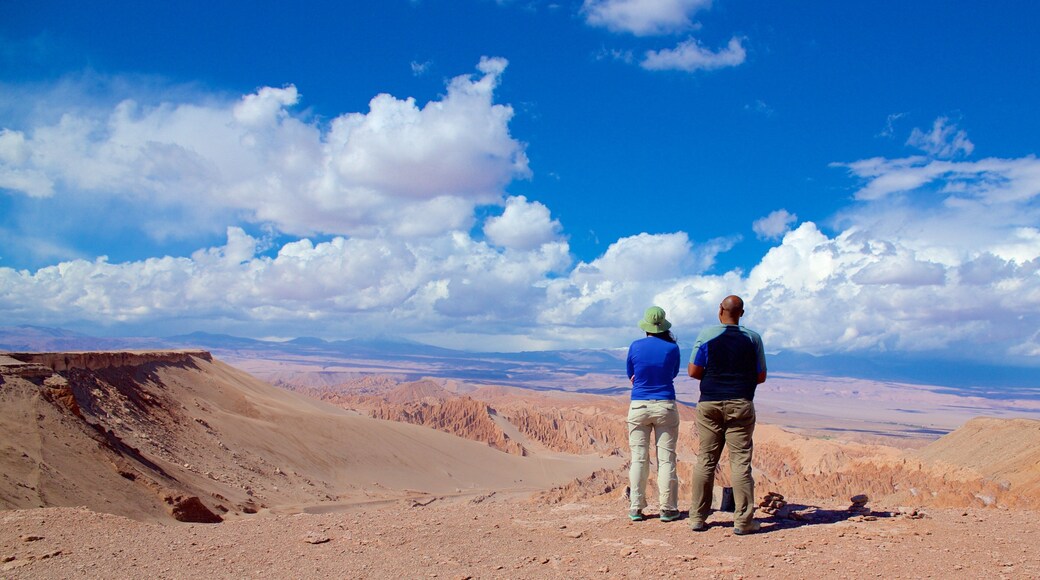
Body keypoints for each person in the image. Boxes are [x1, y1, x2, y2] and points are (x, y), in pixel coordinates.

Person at [687, 295, 767, 535]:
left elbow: (693, 371)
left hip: (710, 402)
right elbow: (761, 376)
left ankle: (697, 518)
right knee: (740, 462)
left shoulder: (706, 335)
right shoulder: (753, 338)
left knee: (706, 459)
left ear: (719, 310)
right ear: (742, 313)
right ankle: (743, 522)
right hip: (741, 403)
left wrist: (715, 377)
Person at [625, 305, 681, 522]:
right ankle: (668, 509)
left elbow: (631, 374)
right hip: (665, 405)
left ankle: (636, 508)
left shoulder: (635, 346)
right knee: (666, 460)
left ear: (646, 326)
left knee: (638, 459)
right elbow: (673, 373)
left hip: (639, 405)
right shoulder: (672, 348)